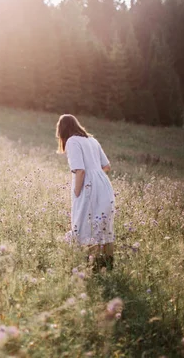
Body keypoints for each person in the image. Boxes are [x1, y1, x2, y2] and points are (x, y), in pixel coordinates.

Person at [56, 114, 115, 270]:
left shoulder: (72, 141)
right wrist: (96, 173)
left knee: (84, 224)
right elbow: (107, 166)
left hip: (88, 186)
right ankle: (108, 265)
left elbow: (80, 170)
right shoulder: (92, 140)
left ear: (62, 130)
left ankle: (89, 266)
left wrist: (76, 192)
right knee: (104, 225)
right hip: (104, 185)